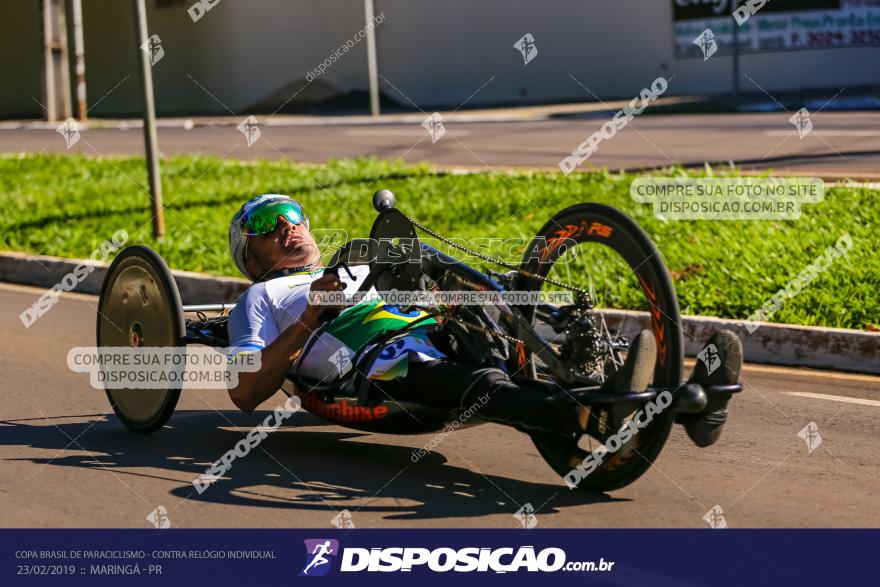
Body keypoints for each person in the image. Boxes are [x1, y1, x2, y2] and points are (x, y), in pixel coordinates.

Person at [225, 194, 735, 445]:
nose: (288, 229)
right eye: (269, 226)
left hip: (436, 327)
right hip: (377, 365)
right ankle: (598, 413)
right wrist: (314, 311)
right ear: (249, 256)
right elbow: (245, 392)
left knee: (502, 313)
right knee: (483, 383)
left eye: (294, 216)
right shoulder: (261, 298)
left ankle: (689, 399)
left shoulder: (353, 261)